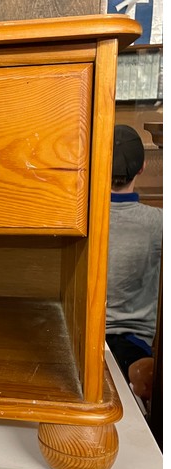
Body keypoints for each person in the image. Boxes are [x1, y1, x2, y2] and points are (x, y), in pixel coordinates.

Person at [105, 124, 162, 386]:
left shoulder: (83, 221)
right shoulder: (158, 223)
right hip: (137, 347)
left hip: (84, 341)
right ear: (141, 168)